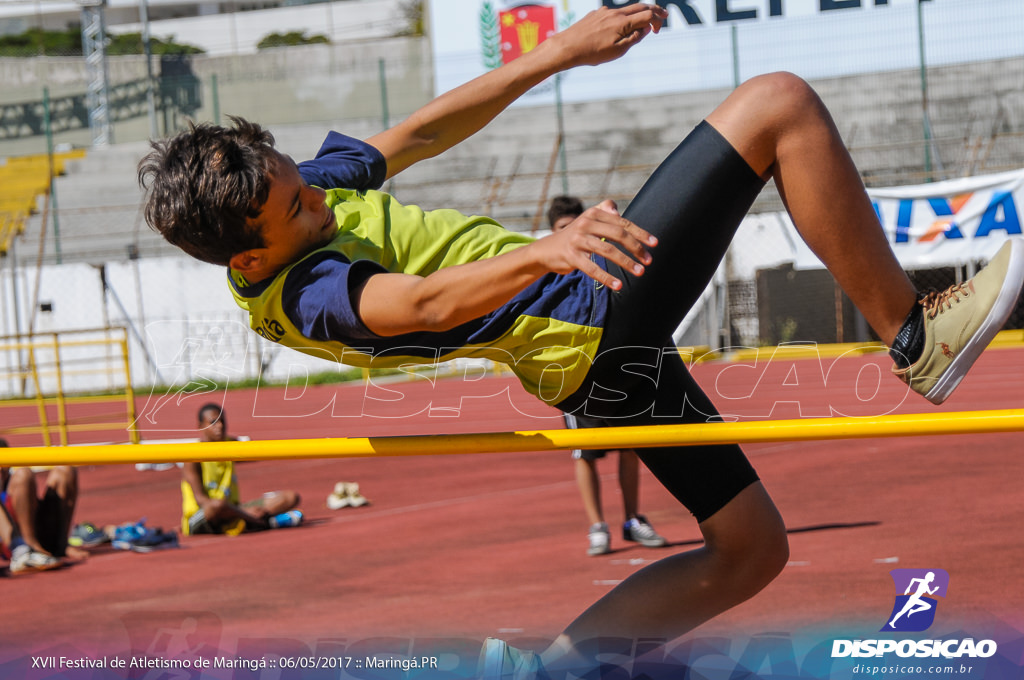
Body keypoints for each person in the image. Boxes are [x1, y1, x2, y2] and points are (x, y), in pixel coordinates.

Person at [138, 4, 1024, 676]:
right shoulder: (306, 290)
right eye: (300, 206)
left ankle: (564, 665)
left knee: (752, 551)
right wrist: (542, 253)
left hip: (588, 363)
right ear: (255, 251)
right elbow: (423, 305)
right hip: (583, 315)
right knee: (776, 104)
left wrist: (558, 51)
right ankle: (914, 333)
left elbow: (421, 131)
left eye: (305, 182)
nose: (319, 198)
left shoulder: (290, 201)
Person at [549, 196, 667, 556]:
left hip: (616, 362)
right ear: (551, 232)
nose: (569, 233)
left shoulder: (604, 259)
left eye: (573, 224)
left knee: (630, 446)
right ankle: (597, 526)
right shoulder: (549, 267)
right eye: (561, 229)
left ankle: (633, 520)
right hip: (576, 369)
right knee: (584, 452)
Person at [180, 404, 302, 536]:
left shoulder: (230, 445)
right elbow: (202, 501)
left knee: (289, 497)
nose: (220, 426)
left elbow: (257, 452)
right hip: (206, 513)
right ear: (201, 426)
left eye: (222, 421)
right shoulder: (193, 457)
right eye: (213, 422)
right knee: (217, 505)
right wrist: (246, 513)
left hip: (233, 509)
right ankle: (261, 523)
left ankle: (244, 523)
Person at [0, 439, 82, 574]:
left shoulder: (13, 480)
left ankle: (62, 544)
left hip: (42, 530)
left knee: (65, 470)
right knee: (23, 474)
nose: (1, 469)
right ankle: (28, 547)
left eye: (3, 465)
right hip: (13, 541)